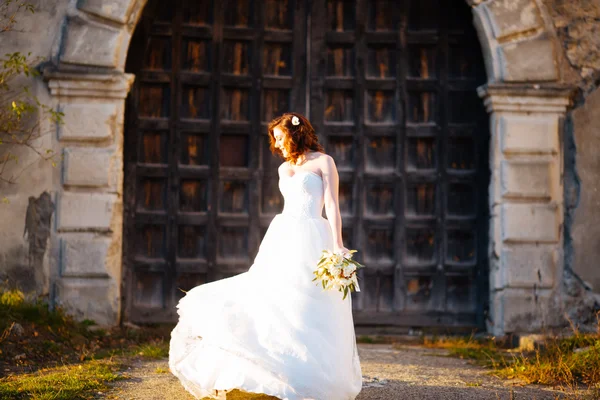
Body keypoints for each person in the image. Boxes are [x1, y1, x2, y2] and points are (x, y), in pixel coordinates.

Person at [169, 113, 362, 400]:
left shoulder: (324, 162)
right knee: (274, 296)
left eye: (281, 138)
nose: (277, 144)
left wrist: (338, 245)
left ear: (295, 134)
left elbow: (332, 205)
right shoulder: (284, 169)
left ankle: (313, 373)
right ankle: (275, 368)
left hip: (314, 236)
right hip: (284, 235)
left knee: (310, 300)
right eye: (275, 139)